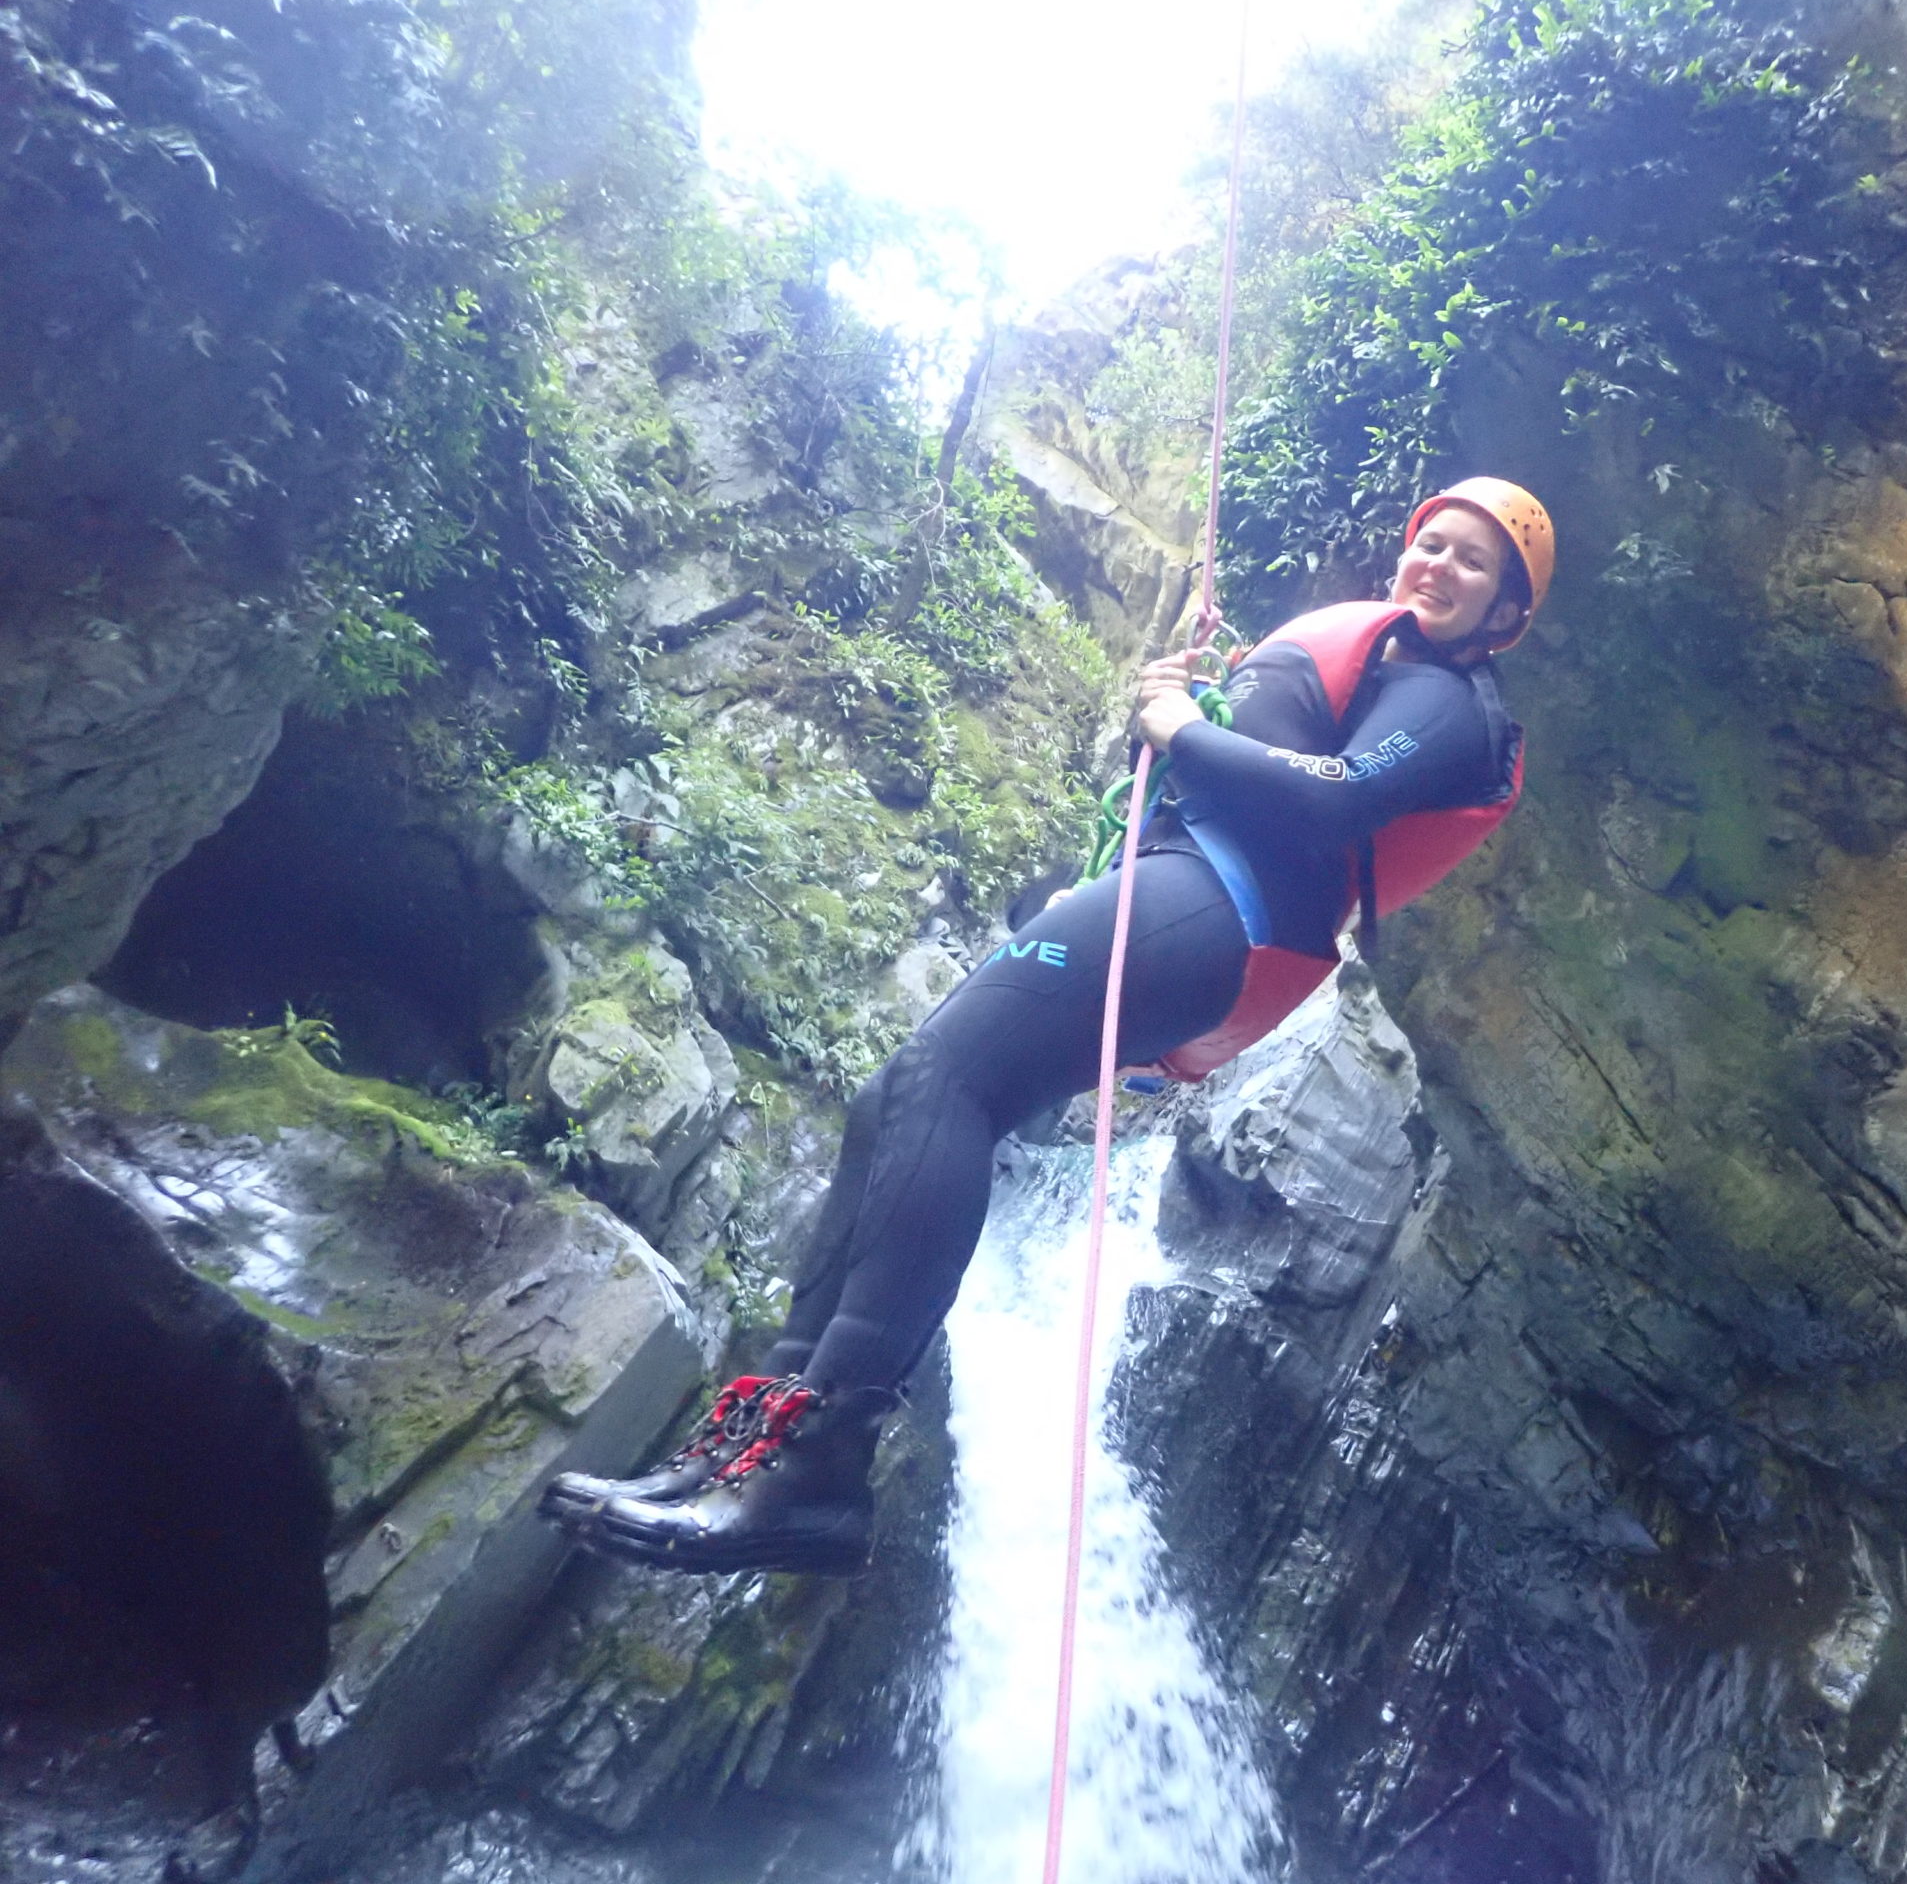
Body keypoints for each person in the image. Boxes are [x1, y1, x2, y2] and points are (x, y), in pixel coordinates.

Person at [540, 478, 1556, 1575]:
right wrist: (1175, 724)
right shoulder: (1387, 660)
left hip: (1227, 906)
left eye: (1471, 563)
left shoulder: (1454, 705)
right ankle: (750, 1450)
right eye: (1431, 545)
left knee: (943, 1083)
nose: (1437, 567)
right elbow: (1266, 767)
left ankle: (819, 1468)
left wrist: (1178, 727)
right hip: (1190, 878)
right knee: (897, 1097)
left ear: (1505, 611)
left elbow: (1331, 797)